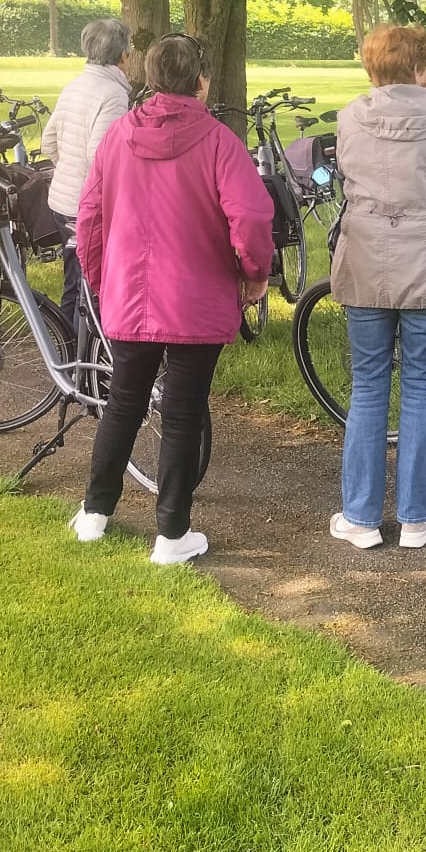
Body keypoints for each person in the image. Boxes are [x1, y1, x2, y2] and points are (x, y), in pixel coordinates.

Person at [69, 33, 273, 566]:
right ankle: (171, 533)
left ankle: (95, 513)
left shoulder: (118, 135)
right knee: (182, 414)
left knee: (123, 403)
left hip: (130, 295)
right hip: (194, 297)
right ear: (201, 80)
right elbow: (252, 217)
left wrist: (101, 279)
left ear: (149, 77)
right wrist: (255, 274)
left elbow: (89, 216)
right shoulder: (220, 142)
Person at [328, 25, 426, 551]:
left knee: (369, 386)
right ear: (420, 69)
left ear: (371, 66)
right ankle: (417, 517)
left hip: (366, 262)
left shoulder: (350, 116)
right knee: (420, 386)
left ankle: (360, 517)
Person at [41, 18, 135, 333]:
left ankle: (65, 348)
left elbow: (48, 142)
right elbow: (101, 157)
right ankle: (83, 355)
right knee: (92, 284)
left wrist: (67, 170)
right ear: (123, 55)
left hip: (61, 200)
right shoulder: (113, 94)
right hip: (88, 207)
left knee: (74, 280)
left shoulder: (75, 85)